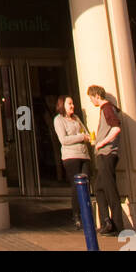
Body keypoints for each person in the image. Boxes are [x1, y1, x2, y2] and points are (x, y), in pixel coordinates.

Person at [87, 85, 125, 234]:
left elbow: (116, 128)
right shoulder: (107, 109)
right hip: (106, 154)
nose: (91, 101)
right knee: (99, 188)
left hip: (107, 154)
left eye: (91, 97)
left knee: (110, 189)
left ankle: (117, 226)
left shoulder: (107, 108)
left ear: (97, 96)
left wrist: (101, 142)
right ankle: (106, 222)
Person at [53, 94, 91, 227]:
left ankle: (87, 214)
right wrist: (81, 137)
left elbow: (85, 133)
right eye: (69, 103)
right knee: (76, 186)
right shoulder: (59, 120)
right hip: (71, 157)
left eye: (73, 103)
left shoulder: (76, 118)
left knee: (86, 184)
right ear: (62, 105)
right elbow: (64, 140)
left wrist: (84, 136)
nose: (72, 106)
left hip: (84, 155)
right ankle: (77, 215)